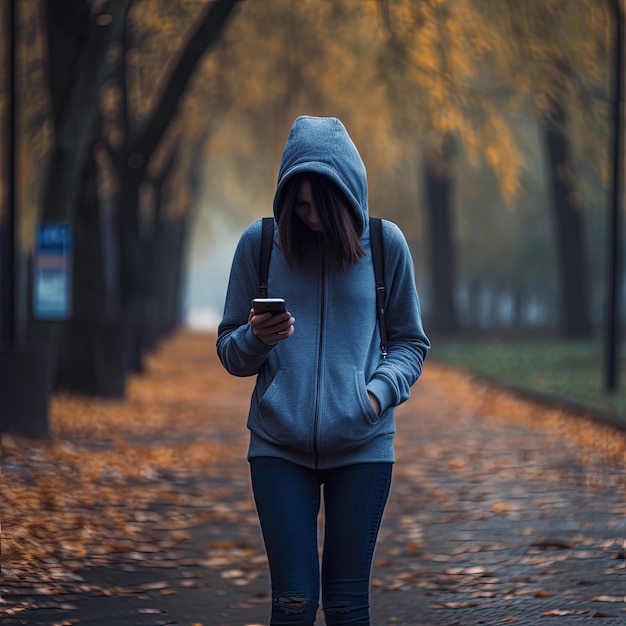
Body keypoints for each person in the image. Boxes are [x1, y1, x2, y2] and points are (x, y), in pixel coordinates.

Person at [216, 115, 430, 626]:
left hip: (363, 446)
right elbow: (229, 351)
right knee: (293, 603)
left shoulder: (384, 244)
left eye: (319, 204)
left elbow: (410, 343)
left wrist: (374, 395)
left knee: (346, 605)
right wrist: (254, 339)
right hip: (278, 447)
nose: (310, 216)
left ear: (345, 196)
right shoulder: (260, 243)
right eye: (300, 204)